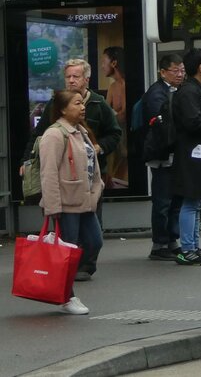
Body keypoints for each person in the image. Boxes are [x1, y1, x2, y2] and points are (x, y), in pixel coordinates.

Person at [22, 58, 120, 281]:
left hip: (88, 186)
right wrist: (27, 160)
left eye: (76, 76)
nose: (71, 80)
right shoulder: (55, 124)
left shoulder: (97, 105)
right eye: (68, 77)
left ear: (86, 79)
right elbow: (39, 139)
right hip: (67, 191)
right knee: (68, 238)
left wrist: (99, 147)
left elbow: (114, 134)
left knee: (94, 237)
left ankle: (85, 266)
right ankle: (66, 276)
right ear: (63, 109)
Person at [38, 88, 103, 315]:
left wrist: (97, 189)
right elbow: (48, 173)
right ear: (63, 109)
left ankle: (63, 289)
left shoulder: (80, 131)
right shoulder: (54, 134)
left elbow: (91, 167)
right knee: (66, 252)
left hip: (84, 202)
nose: (82, 107)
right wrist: (53, 207)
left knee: (95, 242)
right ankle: (67, 297)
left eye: (82, 103)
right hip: (65, 204)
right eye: (77, 103)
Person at [172, 48, 201, 265]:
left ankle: (194, 247)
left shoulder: (196, 89)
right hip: (192, 153)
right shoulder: (189, 92)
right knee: (191, 201)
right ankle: (187, 248)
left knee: (197, 201)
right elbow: (192, 122)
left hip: (200, 151)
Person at [143, 53, 185, 260]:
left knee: (176, 200)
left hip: (176, 154)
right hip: (161, 155)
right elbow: (161, 123)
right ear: (162, 72)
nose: (180, 74)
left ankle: (171, 240)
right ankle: (159, 244)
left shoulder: (177, 90)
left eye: (182, 70)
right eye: (175, 70)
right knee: (163, 200)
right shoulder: (156, 93)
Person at [101, 46, 128, 189]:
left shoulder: (124, 85)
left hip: (123, 139)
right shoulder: (113, 86)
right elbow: (106, 112)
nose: (102, 66)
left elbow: (124, 115)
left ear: (114, 63)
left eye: (104, 62)